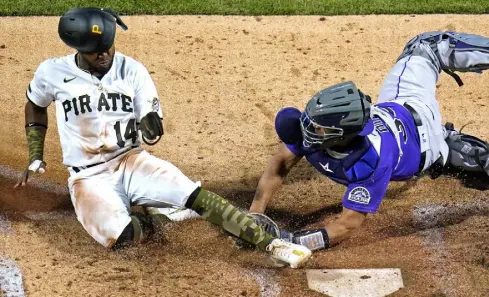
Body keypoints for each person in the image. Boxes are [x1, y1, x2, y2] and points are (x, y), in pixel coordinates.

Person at [14, 7, 311, 268]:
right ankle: (157, 218)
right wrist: (35, 153)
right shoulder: (52, 72)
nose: (104, 54)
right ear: (76, 47)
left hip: (131, 161)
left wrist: (150, 124)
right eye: (95, 51)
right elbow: (36, 105)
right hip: (88, 177)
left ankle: (273, 245)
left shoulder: (132, 71)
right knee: (125, 239)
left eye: (108, 46)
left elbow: (151, 121)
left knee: (195, 196)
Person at [249, 31, 489, 251]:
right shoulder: (314, 127)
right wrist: (256, 211)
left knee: (483, 164)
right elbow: (280, 163)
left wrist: (292, 241)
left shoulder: (370, 162)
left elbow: (347, 225)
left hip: (433, 147)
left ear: (341, 136)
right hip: (402, 99)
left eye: (318, 129)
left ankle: (456, 145)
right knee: (425, 45)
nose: (309, 130)